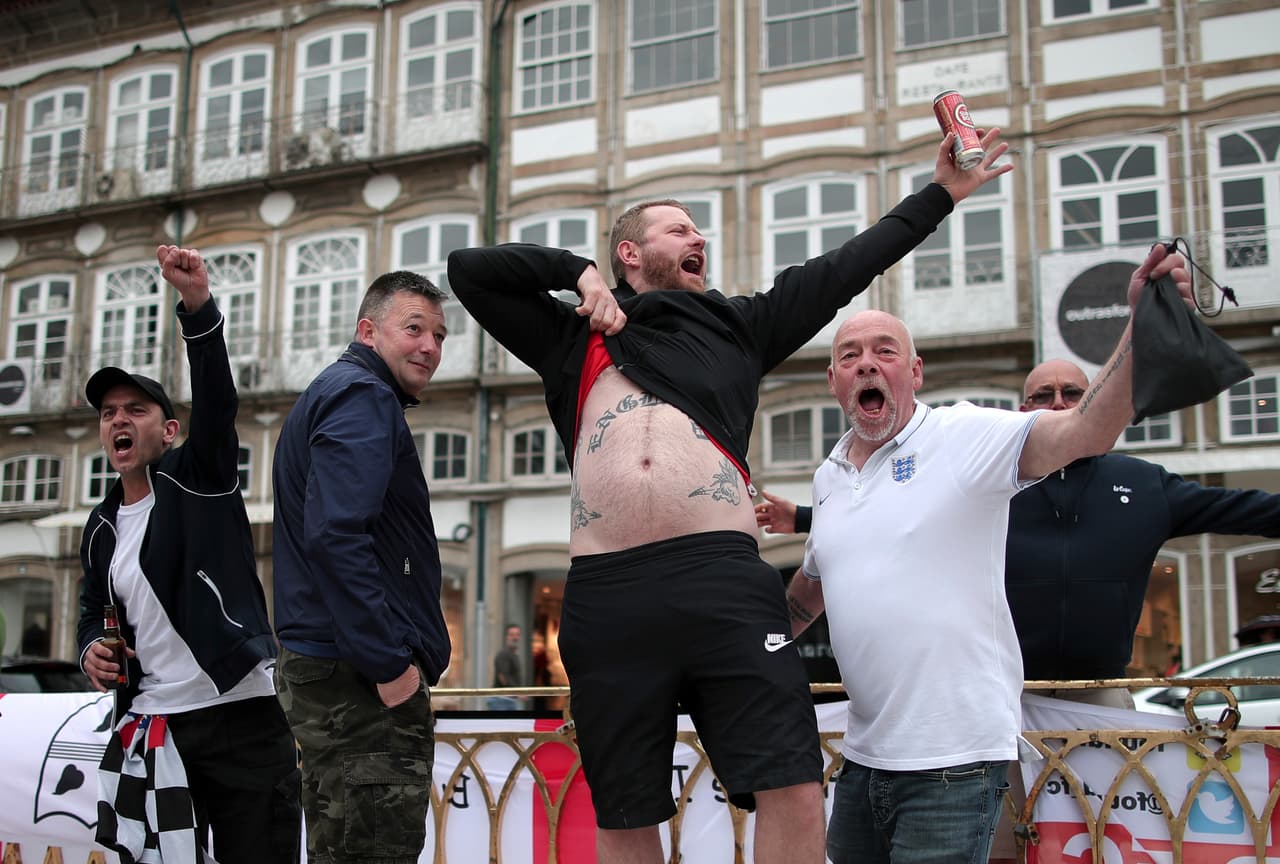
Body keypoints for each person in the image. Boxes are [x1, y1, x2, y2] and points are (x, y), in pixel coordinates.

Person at [448, 127, 1012, 863]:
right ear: (630, 252)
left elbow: (848, 266)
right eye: (679, 227)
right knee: (623, 807)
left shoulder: (740, 324)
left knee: (793, 783)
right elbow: (469, 271)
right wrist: (575, 273)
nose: (698, 238)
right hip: (606, 589)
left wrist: (940, 194)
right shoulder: (571, 337)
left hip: (720, 575)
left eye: (699, 230)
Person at [783, 243, 1193, 864]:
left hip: (953, 760)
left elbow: (1086, 429)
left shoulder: (965, 435)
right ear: (834, 380)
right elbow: (811, 589)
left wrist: (1140, 329)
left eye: (884, 352)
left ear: (914, 372)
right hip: (863, 756)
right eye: (850, 356)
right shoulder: (830, 475)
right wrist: (740, 649)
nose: (867, 364)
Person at [75, 245, 301, 864]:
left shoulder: (198, 478)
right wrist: (92, 644)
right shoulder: (99, 526)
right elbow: (93, 610)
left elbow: (218, 401)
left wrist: (196, 306)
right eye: (108, 414)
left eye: (136, 410)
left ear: (168, 431)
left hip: (240, 715)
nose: (119, 421)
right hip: (155, 728)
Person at [272, 270, 452, 864]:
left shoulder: (339, 391)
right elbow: (336, 535)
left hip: (332, 667)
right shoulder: (362, 394)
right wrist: (389, 663)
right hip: (357, 679)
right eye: (414, 328)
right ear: (368, 331)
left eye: (440, 335)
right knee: (372, 848)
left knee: (343, 845)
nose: (430, 346)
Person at [488, 623, 523, 710]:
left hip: (508, 700)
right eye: (512, 635)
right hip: (501, 701)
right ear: (506, 637)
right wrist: (519, 692)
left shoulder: (514, 655)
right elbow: (503, 678)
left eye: (517, 635)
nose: (515, 637)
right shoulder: (504, 654)